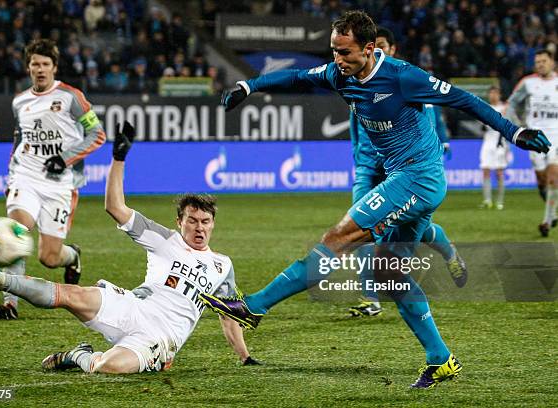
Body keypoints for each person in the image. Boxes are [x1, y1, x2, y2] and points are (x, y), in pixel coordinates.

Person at [198, 10, 550, 388]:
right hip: (404, 177)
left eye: (345, 52)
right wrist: (248, 87)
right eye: (333, 50)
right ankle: (441, 358)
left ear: (368, 49)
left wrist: (514, 133)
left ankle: (254, 306)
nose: (337, 60)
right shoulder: (339, 73)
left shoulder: (402, 76)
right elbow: (296, 76)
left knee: (337, 240)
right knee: (389, 272)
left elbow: (464, 100)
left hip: (417, 177)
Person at [0, 122, 258, 373]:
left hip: (161, 338)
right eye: (192, 221)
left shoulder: (222, 265)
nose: (199, 227)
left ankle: (78, 355)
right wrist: (119, 157)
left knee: (109, 367)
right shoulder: (163, 239)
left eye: (205, 221)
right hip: (133, 306)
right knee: (73, 294)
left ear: (213, 224)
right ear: (178, 222)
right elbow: (115, 207)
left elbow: (228, 314)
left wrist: (244, 357)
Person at [0, 39, 107, 320]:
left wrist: (64, 158)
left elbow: (97, 135)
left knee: (49, 258)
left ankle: (72, 255)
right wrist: (11, 174)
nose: (40, 69)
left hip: (60, 184)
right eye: (35, 64)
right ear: (28, 67)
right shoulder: (20, 101)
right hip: (25, 176)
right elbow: (20, 139)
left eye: (45, 64)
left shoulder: (71, 97)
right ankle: (10, 302)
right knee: (16, 231)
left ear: (54, 67)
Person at [348, 27, 467, 318]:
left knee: (417, 229)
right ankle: (370, 297)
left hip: (403, 168)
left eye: (383, 47)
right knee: (360, 228)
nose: (378, 53)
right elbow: (354, 124)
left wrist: (439, 146)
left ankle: (448, 251)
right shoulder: (356, 83)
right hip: (368, 167)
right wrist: (358, 156)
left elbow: (428, 119)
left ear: (391, 49)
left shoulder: (407, 82)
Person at [506, 49, 558, 237]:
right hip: (536, 138)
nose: (540, 65)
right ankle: (552, 213)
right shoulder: (528, 83)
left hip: (557, 136)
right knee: (542, 182)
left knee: (554, 178)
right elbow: (511, 104)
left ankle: (546, 221)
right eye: (537, 62)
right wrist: (519, 127)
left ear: (552, 62)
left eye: (543, 61)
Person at [479, 85, 511, 210]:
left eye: (495, 93)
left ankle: (499, 202)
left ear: (499, 95)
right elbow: (482, 127)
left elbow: (509, 126)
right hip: (487, 142)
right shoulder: (485, 108)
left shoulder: (504, 108)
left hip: (500, 143)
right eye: (491, 93)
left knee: (499, 172)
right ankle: (487, 200)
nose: (493, 96)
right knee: (485, 170)